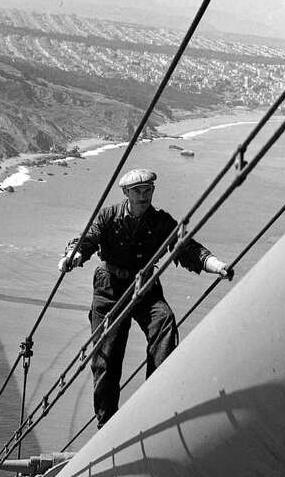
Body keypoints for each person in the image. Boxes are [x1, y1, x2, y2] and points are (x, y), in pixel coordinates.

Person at [58, 167, 234, 426]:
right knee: (107, 357)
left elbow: (184, 247)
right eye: (138, 191)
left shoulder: (160, 222)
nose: (144, 196)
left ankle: (153, 401)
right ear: (126, 194)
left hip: (144, 284)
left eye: (148, 190)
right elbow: (88, 239)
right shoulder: (108, 216)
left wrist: (215, 265)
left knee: (164, 320)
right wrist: (73, 256)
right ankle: (107, 423)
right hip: (110, 287)